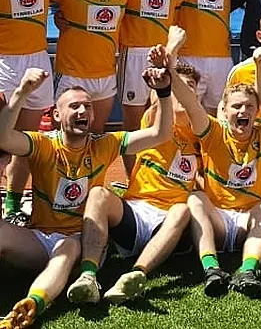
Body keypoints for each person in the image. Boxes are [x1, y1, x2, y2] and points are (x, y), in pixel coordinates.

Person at [0, 65, 172, 327]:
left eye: (88, 106)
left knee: (67, 248)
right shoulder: (44, 144)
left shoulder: (105, 143)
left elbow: (160, 134)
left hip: (79, 242)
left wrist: (163, 92)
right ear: (57, 115)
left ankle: (33, 303)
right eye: (75, 106)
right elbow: (3, 138)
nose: (83, 111)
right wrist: (22, 92)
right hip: (38, 238)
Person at [67, 57, 201, 305]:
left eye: (191, 87)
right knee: (98, 194)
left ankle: (136, 274)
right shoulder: (155, 120)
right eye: (179, 88)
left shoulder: (203, 134)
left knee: (183, 209)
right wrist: (164, 77)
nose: (185, 93)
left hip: (169, 221)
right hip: (135, 213)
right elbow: (158, 102)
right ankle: (88, 275)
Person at [167, 27, 261, 297]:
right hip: (217, 220)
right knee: (195, 198)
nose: (243, 111)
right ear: (224, 109)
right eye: (236, 106)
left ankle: (248, 270)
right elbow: (188, 101)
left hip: (247, 222)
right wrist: (170, 65)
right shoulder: (213, 132)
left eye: (249, 107)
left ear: (256, 112)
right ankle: (211, 268)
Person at [0, 0, 65, 223]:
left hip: (37, 59)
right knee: (1, 137)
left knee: (25, 140)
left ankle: (13, 205)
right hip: (4, 62)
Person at [119, 0, 184, 173]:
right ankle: (131, 181)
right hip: (134, 54)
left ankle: (156, 178)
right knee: (134, 122)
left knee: (163, 118)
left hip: (164, 56)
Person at [51, 0, 128, 132]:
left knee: (96, 132)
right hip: (71, 72)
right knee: (64, 133)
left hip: (106, 74)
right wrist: (56, 15)